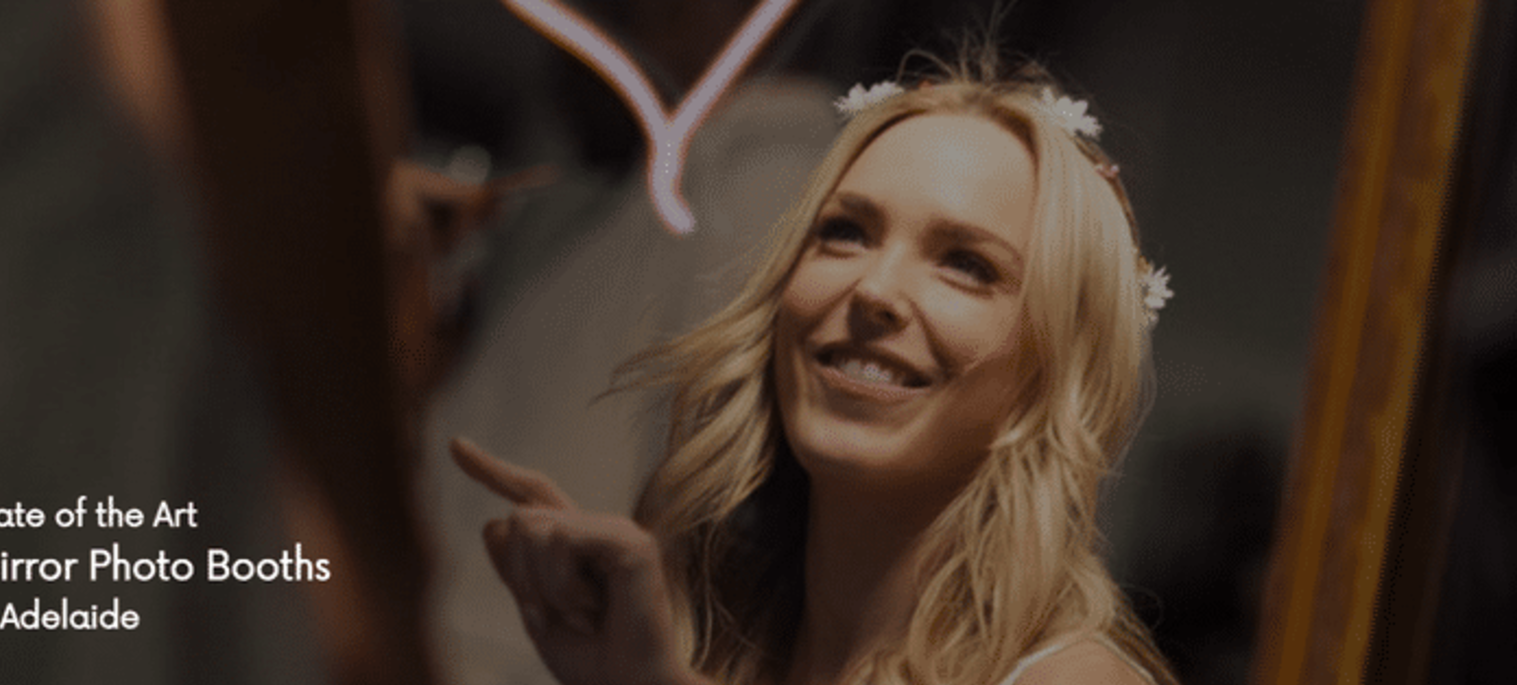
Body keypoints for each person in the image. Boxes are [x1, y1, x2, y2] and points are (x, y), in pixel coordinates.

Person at [449, 46, 1179, 685]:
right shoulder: (715, 634)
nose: (874, 290)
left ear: (1055, 365)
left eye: (965, 264)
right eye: (845, 233)